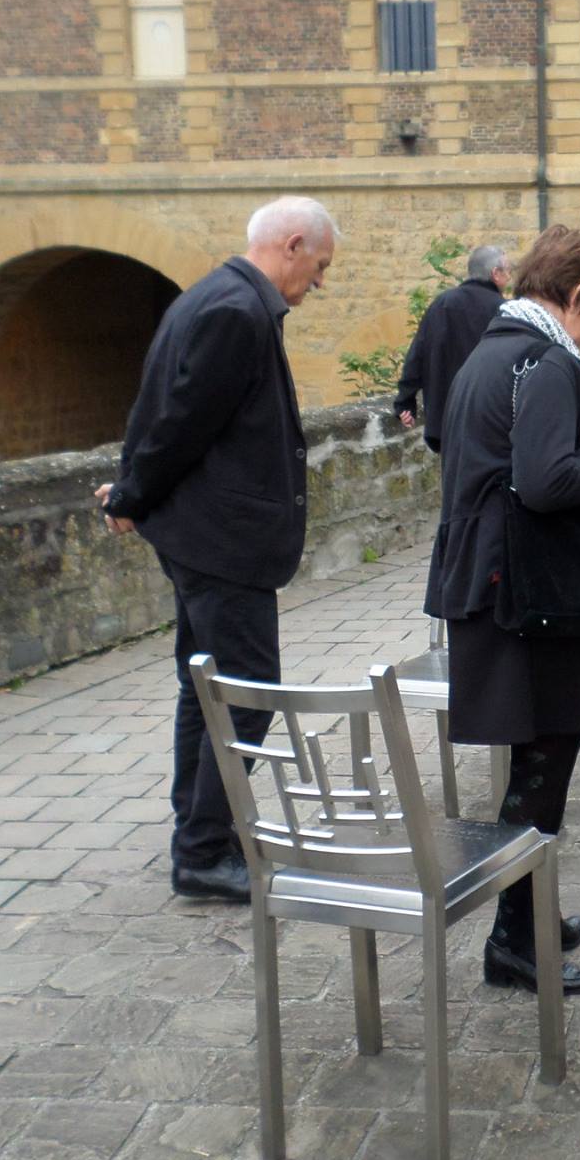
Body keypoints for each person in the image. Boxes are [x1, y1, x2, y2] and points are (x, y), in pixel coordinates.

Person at [96, 196, 338, 905]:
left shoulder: (210, 295)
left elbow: (160, 407)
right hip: (221, 542)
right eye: (320, 265)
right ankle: (202, 849)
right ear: (292, 245)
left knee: (203, 685)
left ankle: (202, 833)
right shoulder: (237, 311)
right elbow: (179, 422)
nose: (320, 281)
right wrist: (130, 493)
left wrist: (132, 487)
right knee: (247, 692)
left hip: (202, 536)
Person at [424, 224, 580, 997]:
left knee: (535, 761)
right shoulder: (545, 362)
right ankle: (514, 943)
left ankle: (529, 914)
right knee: (545, 763)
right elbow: (546, 483)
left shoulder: (489, 352)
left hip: (487, 584)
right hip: (524, 596)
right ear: (575, 296)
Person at [394, 244, 512, 453]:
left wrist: (405, 402)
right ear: (495, 273)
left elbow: (417, 355)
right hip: (489, 422)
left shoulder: (442, 304)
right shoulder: (503, 310)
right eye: (508, 271)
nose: (509, 277)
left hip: (446, 422)